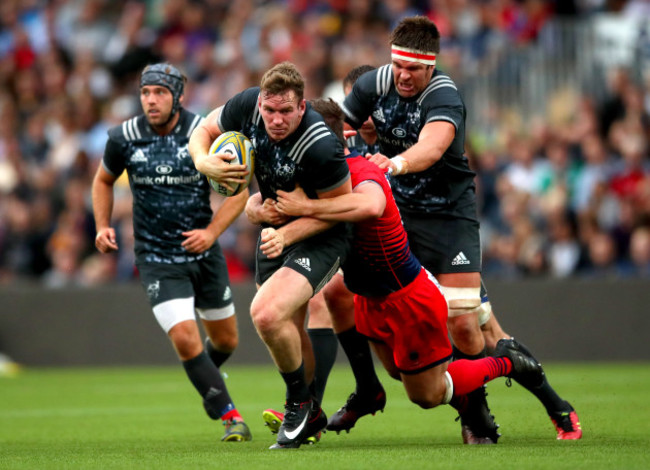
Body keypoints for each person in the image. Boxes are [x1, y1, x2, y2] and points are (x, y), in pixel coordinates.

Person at [341, 16, 582, 442]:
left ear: (431, 66)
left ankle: (501, 412)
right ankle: (367, 390)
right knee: (399, 362)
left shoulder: (444, 95)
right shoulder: (372, 85)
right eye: (398, 65)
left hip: (451, 220)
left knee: (470, 328)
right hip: (400, 221)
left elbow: (432, 147)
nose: (403, 75)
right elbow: (335, 135)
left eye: (413, 68)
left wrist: (391, 162)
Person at [273, 98, 544, 439]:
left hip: (406, 298)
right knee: (399, 373)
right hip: (370, 299)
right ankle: (453, 399)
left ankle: (505, 362)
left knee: (426, 396)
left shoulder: (360, 171)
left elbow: (371, 204)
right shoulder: (319, 177)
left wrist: (304, 206)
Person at [188, 62, 353, 449]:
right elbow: (203, 129)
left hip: (321, 234)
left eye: (285, 112)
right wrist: (202, 160)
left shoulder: (319, 144)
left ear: (301, 108)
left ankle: (298, 403)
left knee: (265, 313)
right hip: (276, 229)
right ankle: (309, 407)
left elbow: (343, 208)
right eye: (270, 110)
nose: (276, 120)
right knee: (288, 329)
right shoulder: (247, 106)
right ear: (260, 102)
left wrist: (290, 229)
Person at [92, 63, 252, 443]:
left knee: (227, 340)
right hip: (155, 257)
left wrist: (212, 232)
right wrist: (102, 225)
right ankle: (230, 415)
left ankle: (206, 380)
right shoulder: (124, 136)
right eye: (146, 93)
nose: (151, 100)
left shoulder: (205, 134)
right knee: (184, 337)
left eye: (160, 93)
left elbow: (241, 190)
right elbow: (102, 180)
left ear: (177, 96)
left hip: (203, 253)